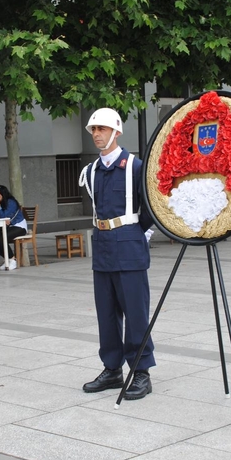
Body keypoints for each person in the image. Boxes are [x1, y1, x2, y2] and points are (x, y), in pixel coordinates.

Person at [78, 108, 155, 400]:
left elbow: (150, 209)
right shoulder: (91, 171)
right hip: (102, 244)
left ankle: (141, 371)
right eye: (94, 129)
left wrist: (135, 233)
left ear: (117, 132)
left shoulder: (135, 166)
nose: (97, 134)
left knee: (135, 312)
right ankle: (112, 368)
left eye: (102, 129)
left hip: (128, 243)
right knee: (107, 313)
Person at [0, 184, 27, 271]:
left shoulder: (11, 202)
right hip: (5, 227)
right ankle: (8, 259)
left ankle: (13, 259)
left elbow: (4, 216)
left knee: (0, 239)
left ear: (2, 194)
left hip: (18, 226)